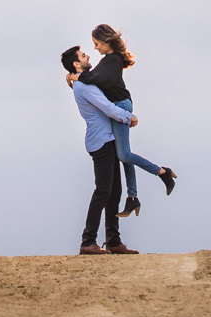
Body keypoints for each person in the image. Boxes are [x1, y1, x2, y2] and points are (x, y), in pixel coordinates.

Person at [78, 24, 177, 217]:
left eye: (97, 43)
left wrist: (78, 76)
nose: (95, 48)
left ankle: (163, 173)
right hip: (120, 107)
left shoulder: (112, 60)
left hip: (121, 106)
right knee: (122, 152)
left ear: (106, 41)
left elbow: (96, 79)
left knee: (123, 155)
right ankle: (133, 197)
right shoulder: (109, 60)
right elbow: (93, 77)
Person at [62, 44, 138, 255]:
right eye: (84, 55)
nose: (88, 56)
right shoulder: (85, 87)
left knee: (114, 191)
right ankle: (88, 241)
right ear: (77, 64)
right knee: (104, 190)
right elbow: (107, 107)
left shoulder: (86, 82)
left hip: (107, 139)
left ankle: (113, 240)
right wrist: (128, 117)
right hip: (101, 141)